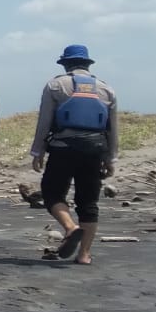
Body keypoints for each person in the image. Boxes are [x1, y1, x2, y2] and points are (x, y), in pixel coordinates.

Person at [30, 44, 119, 265]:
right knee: (88, 203)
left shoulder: (55, 86)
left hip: (63, 148)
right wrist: (111, 158)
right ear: (88, 64)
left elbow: (45, 122)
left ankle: (70, 227)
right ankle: (84, 255)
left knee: (51, 193)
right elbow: (112, 128)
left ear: (66, 64)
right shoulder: (107, 89)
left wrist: (37, 151)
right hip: (95, 149)